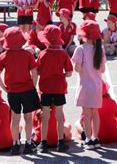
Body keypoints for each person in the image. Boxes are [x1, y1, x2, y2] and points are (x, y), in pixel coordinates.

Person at [0, 27, 41, 155]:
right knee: (28, 118)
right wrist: (33, 85)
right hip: (27, 90)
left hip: (13, 91)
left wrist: (5, 88)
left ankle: (15, 144)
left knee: (15, 119)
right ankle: (28, 143)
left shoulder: (3, 56)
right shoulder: (27, 54)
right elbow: (34, 72)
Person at [36, 25, 73, 153]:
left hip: (45, 88)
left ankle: (43, 143)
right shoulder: (63, 54)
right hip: (59, 87)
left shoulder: (42, 54)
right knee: (59, 116)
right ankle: (60, 142)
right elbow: (69, 72)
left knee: (45, 116)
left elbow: (38, 71)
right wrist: (60, 75)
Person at [71, 20, 106, 150]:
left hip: (85, 85)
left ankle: (88, 139)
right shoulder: (100, 50)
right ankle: (95, 138)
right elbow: (102, 70)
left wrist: (80, 67)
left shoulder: (80, 49)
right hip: (97, 86)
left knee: (86, 114)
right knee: (95, 113)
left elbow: (77, 68)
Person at [75, 80, 117, 144]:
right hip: (114, 136)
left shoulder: (89, 104)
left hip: (96, 137)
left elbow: (82, 122)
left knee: (77, 123)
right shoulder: (112, 102)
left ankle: (85, 136)